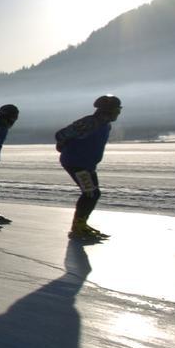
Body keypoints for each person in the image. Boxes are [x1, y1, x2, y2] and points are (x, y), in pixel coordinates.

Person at [55, 94, 122, 241]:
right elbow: (60, 134)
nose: (119, 113)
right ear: (108, 110)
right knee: (90, 193)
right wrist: (63, 146)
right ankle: (78, 226)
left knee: (93, 193)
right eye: (118, 109)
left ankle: (80, 224)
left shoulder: (105, 124)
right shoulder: (90, 123)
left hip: (86, 164)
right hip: (76, 163)